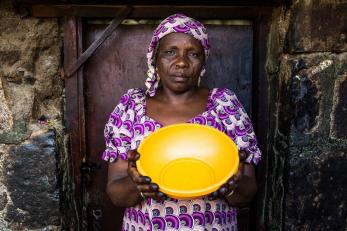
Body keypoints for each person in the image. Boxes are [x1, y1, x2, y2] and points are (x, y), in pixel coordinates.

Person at [102, 13, 261, 231]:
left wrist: (232, 187)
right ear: (155, 58)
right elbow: (115, 193)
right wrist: (137, 185)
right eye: (170, 52)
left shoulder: (225, 105)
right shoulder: (132, 106)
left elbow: (248, 192)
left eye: (193, 54)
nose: (181, 63)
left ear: (203, 60)